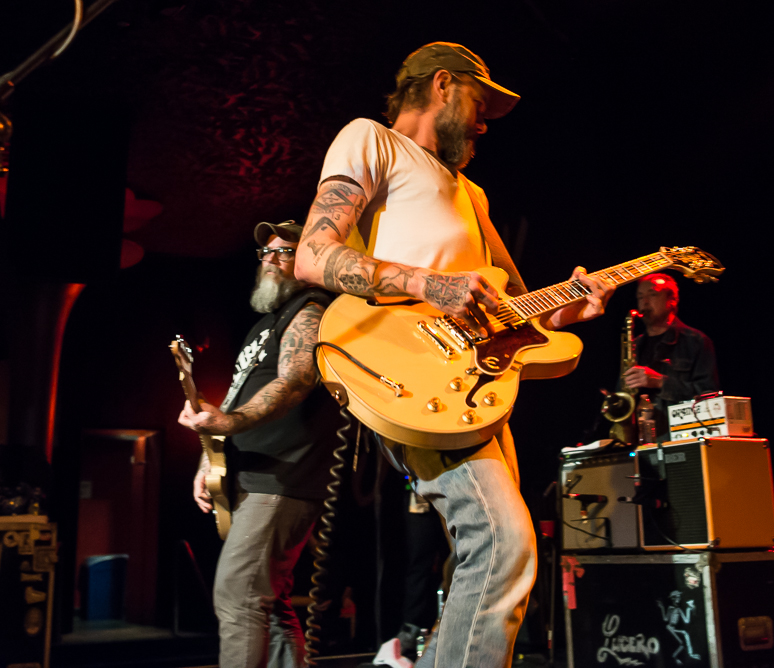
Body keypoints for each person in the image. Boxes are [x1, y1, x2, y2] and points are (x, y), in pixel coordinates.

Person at [293, 42, 614, 668]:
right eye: (478, 103)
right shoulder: (372, 140)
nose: (484, 123)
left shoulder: (472, 195)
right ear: (441, 84)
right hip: (409, 373)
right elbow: (313, 254)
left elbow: (517, 306)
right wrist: (428, 284)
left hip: (475, 388)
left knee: (503, 557)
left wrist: (567, 310)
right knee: (504, 546)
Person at [179, 220, 342, 668]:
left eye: (284, 251)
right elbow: (235, 398)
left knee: (238, 597)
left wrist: (229, 421)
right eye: (266, 252)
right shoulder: (264, 325)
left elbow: (295, 381)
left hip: (282, 476)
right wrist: (208, 460)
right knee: (266, 606)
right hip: (252, 473)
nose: (270, 259)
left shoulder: (310, 311)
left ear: (308, 262)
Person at [622, 273, 719, 420]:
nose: (644, 302)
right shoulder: (634, 345)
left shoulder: (696, 341)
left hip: (678, 429)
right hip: (640, 431)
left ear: (672, 300)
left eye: (652, 295)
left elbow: (709, 396)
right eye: (640, 297)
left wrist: (660, 381)